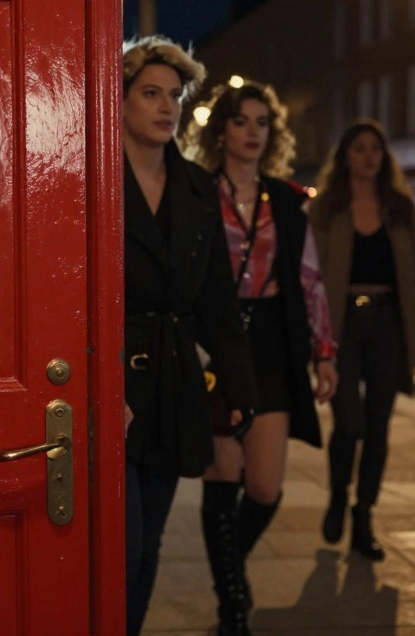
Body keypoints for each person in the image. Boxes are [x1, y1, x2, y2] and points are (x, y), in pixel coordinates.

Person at [181, 81, 338, 635]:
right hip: (217, 342)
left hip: (272, 342)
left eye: (261, 123)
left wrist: (324, 352)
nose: (252, 132)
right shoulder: (197, 191)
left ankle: (230, 572)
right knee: (222, 480)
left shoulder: (288, 199)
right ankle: (232, 609)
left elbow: (310, 280)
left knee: (265, 487)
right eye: (241, 121)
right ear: (221, 129)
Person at [120, 36, 258, 636]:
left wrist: (239, 386)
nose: (166, 106)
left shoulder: (200, 190)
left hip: (174, 382)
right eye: (150, 93)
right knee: (120, 548)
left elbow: (218, 302)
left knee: (149, 545)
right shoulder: (89, 179)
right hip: (113, 381)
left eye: (174, 95)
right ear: (119, 99)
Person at [308, 120, 415, 562]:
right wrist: (316, 339)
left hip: (387, 325)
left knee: (378, 427)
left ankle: (364, 515)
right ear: (345, 156)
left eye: (375, 148)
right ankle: (339, 493)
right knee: (350, 424)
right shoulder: (327, 209)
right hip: (342, 328)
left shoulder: (400, 208)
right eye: (358, 148)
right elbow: (313, 276)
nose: (368, 156)